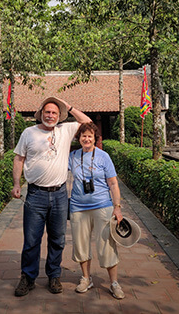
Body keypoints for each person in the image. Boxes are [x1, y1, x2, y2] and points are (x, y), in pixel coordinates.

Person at [12, 96, 91, 296]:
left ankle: (54, 276)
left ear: (59, 116)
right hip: (36, 194)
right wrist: (16, 184)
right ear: (41, 114)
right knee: (31, 240)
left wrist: (69, 105)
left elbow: (87, 123)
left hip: (59, 194)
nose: (50, 115)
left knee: (58, 239)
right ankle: (28, 278)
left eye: (55, 112)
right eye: (47, 112)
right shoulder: (29, 132)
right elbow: (19, 159)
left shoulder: (65, 130)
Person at [68, 122, 125, 299]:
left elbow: (113, 183)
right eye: (83, 136)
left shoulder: (103, 156)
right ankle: (86, 278)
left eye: (90, 136)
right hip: (78, 207)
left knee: (107, 245)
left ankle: (114, 282)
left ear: (95, 138)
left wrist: (117, 208)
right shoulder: (73, 156)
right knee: (80, 244)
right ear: (79, 138)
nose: (86, 139)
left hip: (102, 206)